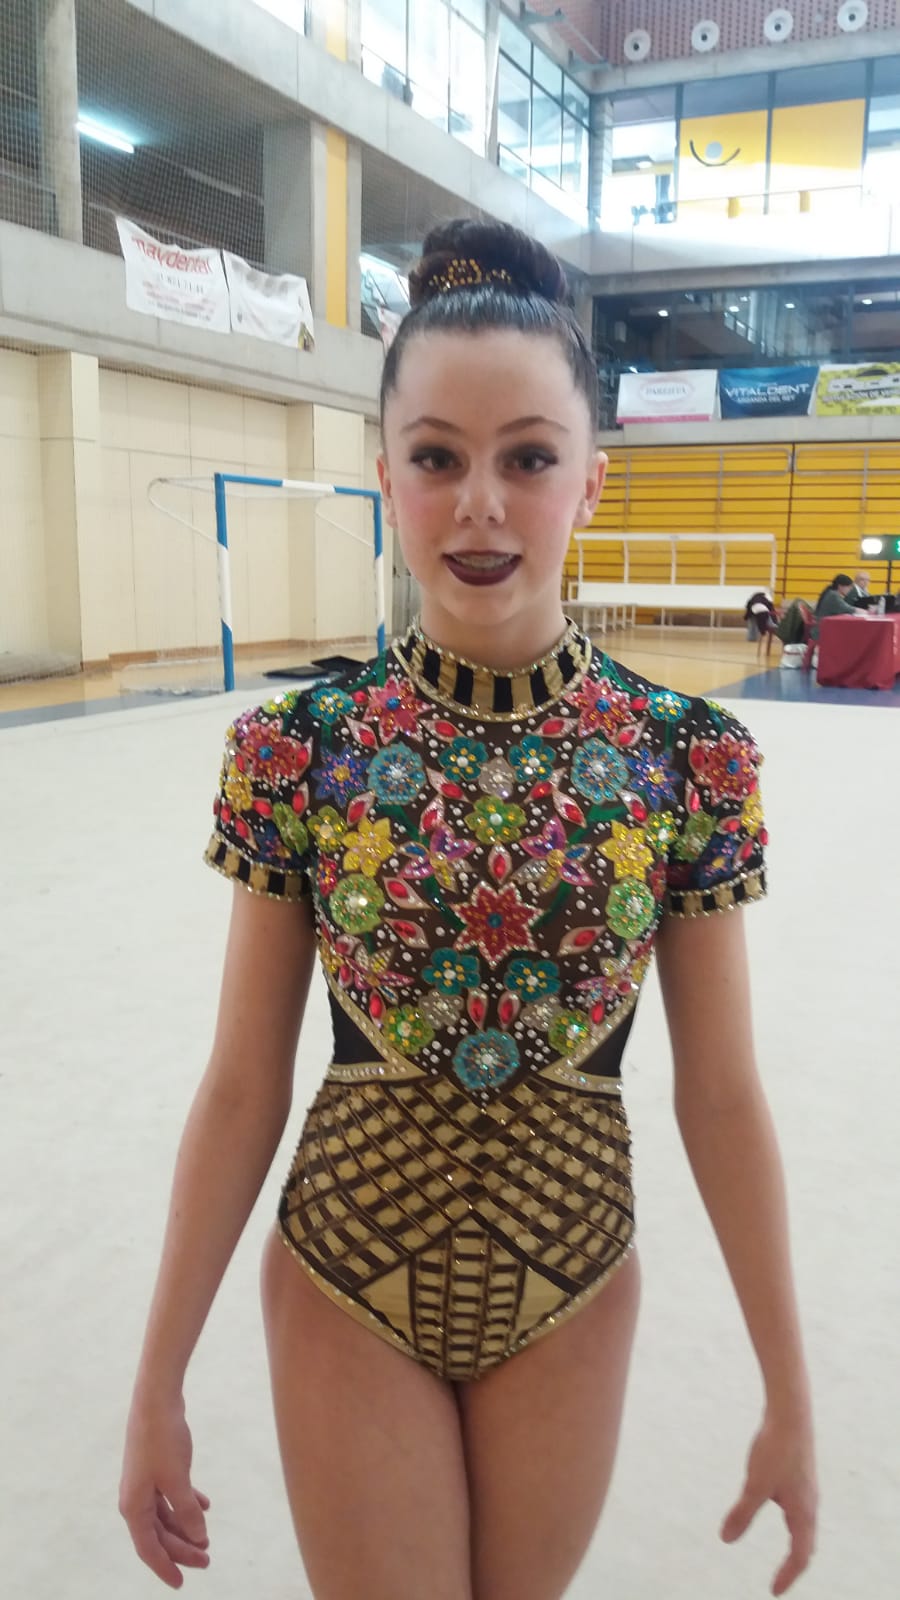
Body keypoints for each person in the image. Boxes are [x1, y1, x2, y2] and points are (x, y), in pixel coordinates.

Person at [119, 219, 818, 1600]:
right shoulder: (300, 748)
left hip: (574, 1278)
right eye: (438, 458)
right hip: (346, 1275)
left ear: (591, 482)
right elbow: (244, 1082)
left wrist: (788, 1391)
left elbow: (723, 1092)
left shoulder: (690, 757)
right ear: (386, 476)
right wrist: (158, 1378)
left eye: (529, 458)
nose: (481, 503)